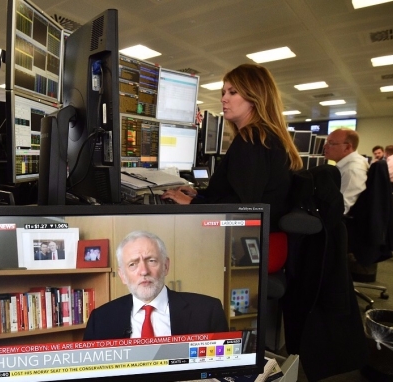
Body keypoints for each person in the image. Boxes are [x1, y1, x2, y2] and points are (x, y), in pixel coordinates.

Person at [161, 64, 302, 228]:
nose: (223, 98)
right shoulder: (263, 136)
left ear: (254, 97)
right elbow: (237, 194)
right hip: (265, 234)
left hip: (255, 239)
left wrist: (192, 204)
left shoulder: (252, 139)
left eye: (232, 92)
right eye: (223, 92)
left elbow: (242, 208)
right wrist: (199, 194)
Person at [83, 231, 228, 341]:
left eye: (151, 261)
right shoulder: (100, 319)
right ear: (122, 275)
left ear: (165, 266)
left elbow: (223, 370)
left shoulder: (208, 311)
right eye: (133, 264)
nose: (144, 271)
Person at [323, 128, 368, 214]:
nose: (325, 146)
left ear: (347, 147)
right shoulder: (346, 166)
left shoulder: (352, 170)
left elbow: (341, 208)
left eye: (331, 143)